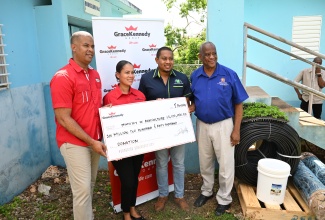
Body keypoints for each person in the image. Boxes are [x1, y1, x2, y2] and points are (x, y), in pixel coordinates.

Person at [50, 31, 107, 220]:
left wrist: (107, 111)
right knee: (82, 190)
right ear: (74, 47)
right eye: (85, 45)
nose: (90, 50)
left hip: (93, 141)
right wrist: (92, 141)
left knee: (89, 184)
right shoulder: (63, 77)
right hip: (74, 142)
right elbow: (64, 118)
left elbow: (93, 108)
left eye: (92, 46)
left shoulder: (95, 75)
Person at [190, 42, 248, 216]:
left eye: (214, 53)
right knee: (205, 162)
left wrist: (236, 130)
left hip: (224, 125)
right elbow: (193, 101)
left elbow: (239, 104)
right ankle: (207, 191)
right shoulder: (195, 76)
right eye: (207, 54)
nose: (211, 57)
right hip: (202, 125)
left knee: (225, 165)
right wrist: (187, 108)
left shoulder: (229, 74)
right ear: (200, 57)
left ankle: (224, 198)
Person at [138, 46, 194, 212]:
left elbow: (190, 102)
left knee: (178, 163)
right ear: (157, 60)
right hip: (158, 131)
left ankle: (179, 195)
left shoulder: (182, 78)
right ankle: (163, 195)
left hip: (178, 130)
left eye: (170, 58)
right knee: (161, 163)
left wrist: (190, 108)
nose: (168, 61)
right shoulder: (146, 78)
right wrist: (153, 104)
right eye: (164, 58)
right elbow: (140, 103)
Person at [103, 60, 146, 220]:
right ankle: (126, 213)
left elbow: (146, 119)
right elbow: (107, 126)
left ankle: (132, 207)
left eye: (132, 72)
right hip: (120, 149)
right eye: (127, 72)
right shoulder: (109, 98)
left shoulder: (140, 96)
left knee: (133, 179)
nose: (131, 75)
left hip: (137, 146)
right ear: (118, 75)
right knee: (127, 181)